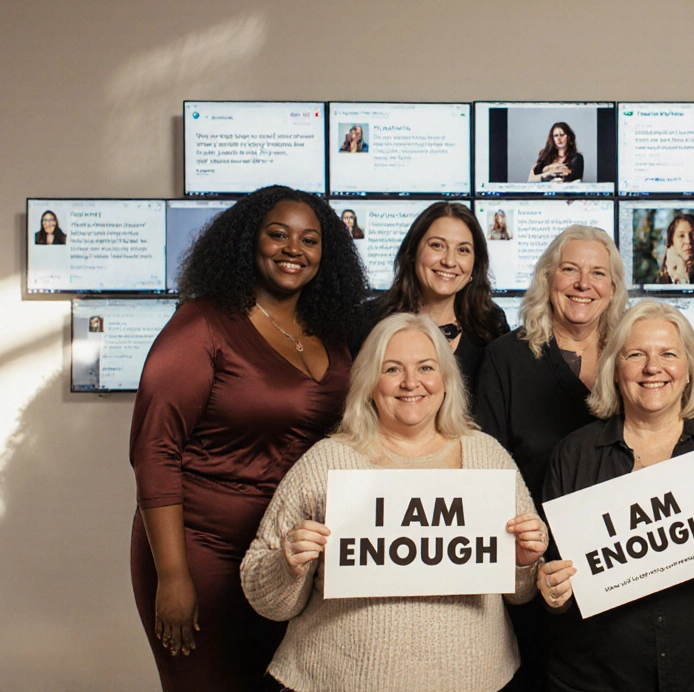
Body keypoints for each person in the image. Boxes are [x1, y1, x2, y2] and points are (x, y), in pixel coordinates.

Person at [128, 185, 367, 692]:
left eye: (309, 239)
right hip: (202, 551)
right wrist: (172, 576)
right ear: (247, 241)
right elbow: (155, 450)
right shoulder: (203, 324)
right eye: (277, 234)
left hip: (288, 555)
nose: (293, 249)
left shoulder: (330, 331)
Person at [241, 312, 548, 692]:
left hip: (476, 680)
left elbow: (521, 592)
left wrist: (524, 561)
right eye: (392, 369)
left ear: (447, 380)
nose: (410, 383)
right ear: (370, 382)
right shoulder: (326, 462)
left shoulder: (487, 457)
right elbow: (267, 601)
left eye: (426, 367)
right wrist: (286, 562)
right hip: (334, 680)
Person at [538, 300, 694, 692]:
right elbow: (558, 589)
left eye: (668, 354)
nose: (652, 367)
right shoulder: (572, 456)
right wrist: (551, 591)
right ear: (615, 370)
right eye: (636, 355)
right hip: (597, 681)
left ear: (689, 370)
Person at [473, 224, 627, 691]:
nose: (584, 284)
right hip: (536, 568)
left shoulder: (633, 357)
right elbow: (486, 467)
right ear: (546, 278)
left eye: (598, 273)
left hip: (626, 559)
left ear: (615, 287)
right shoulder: (507, 357)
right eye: (570, 270)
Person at [357, 202, 509, 391]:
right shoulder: (370, 320)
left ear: (474, 265)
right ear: (413, 252)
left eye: (463, 250)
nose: (449, 261)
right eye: (437, 246)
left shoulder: (491, 325)